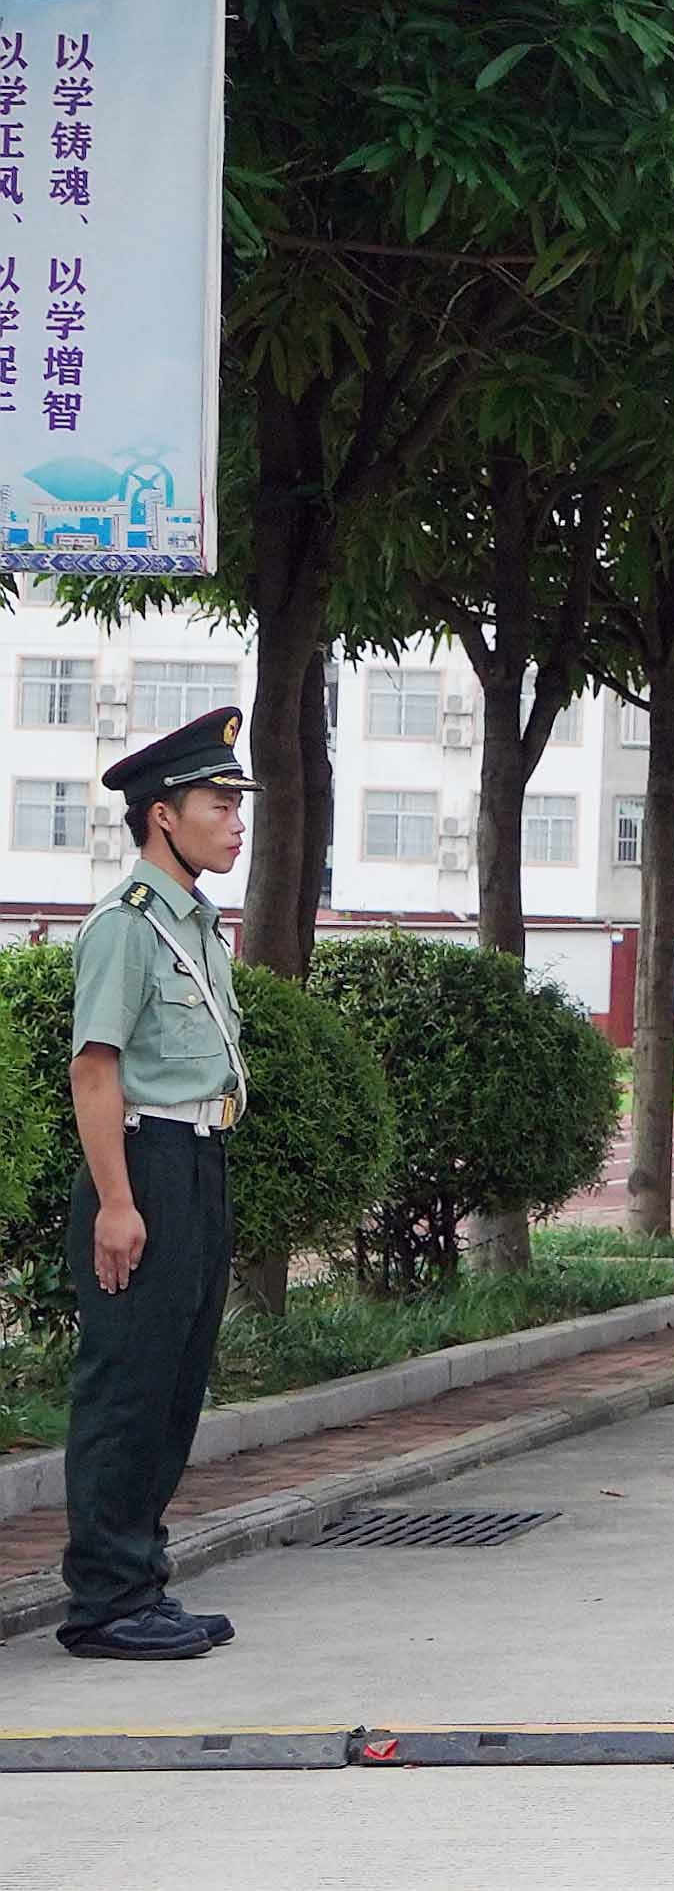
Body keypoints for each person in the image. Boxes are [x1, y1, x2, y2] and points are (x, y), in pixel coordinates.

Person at [60, 706, 257, 1662]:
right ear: (162, 816)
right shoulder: (127, 926)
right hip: (144, 1164)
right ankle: (102, 1602)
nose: (236, 822)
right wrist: (117, 1203)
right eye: (219, 803)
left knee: (174, 1384)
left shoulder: (198, 927)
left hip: (199, 1159)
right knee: (128, 1385)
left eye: (237, 805)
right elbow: (94, 1069)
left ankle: (139, 1581)